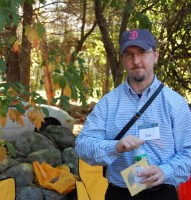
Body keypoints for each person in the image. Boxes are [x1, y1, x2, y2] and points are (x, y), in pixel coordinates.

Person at [74, 29, 191, 200]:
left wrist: (165, 171)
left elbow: (188, 153)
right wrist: (115, 147)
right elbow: (82, 145)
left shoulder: (175, 103)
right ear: (122, 59)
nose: (136, 61)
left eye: (142, 52)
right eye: (129, 55)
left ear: (156, 55)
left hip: (161, 192)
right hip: (119, 194)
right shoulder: (108, 103)